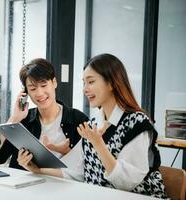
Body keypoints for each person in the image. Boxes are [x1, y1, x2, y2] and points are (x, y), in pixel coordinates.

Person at [17, 54, 167, 198]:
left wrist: (99, 144)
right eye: (84, 83)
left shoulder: (137, 123)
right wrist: (37, 170)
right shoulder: (93, 124)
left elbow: (126, 183)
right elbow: (72, 171)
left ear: (111, 83)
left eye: (91, 82)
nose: (85, 89)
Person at [0, 58, 89, 170]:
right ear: (26, 93)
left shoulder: (78, 120)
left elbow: (86, 166)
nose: (39, 93)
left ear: (54, 83)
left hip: (62, 185)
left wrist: (68, 153)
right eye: (32, 88)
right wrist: (14, 119)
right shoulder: (23, 121)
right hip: (25, 185)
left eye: (43, 85)